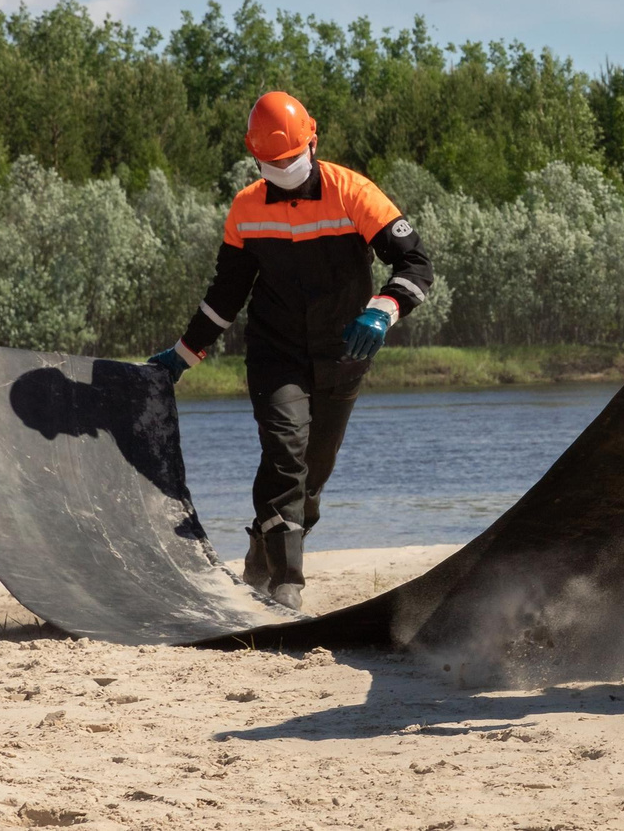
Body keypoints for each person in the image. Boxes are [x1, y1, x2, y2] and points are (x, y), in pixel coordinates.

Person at [148, 92, 434, 611]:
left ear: (312, 142)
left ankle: (263, 549)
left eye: (290, 158)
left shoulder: (354, 193)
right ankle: (287, 585)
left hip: (345, 352)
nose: (282, 168)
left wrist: (383, 311)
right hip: (275, 353)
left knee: (313, 472)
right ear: (254, 156)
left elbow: (415, 263)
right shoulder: (246, 208)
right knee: (285, 451)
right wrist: (184, 354)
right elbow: (226, 295)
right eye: (271, 162)